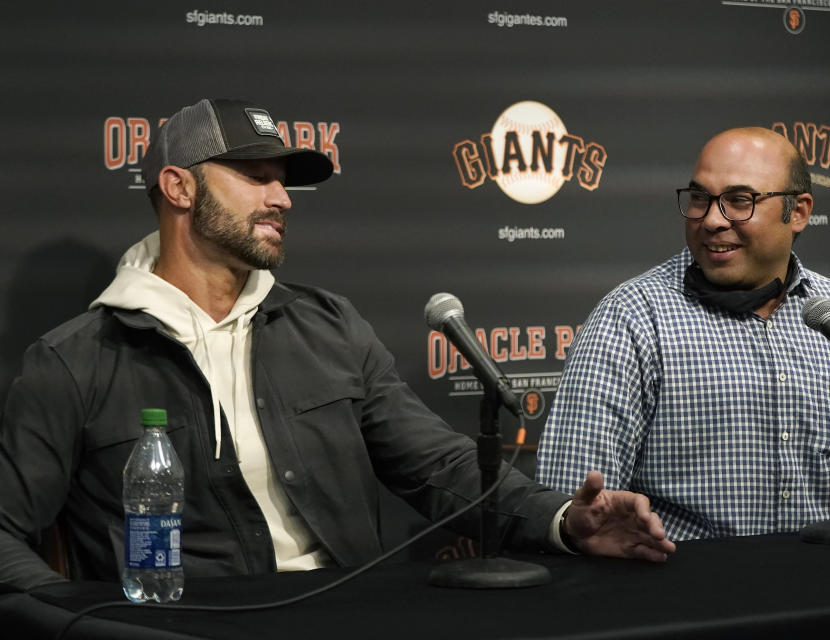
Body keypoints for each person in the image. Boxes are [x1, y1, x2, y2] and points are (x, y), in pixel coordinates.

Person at [0, 98, 675, 591]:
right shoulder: (75, 360)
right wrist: (74, 617)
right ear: (179, 187)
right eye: (256, 176)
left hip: (350, 617)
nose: (282, 197)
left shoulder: (330, 326)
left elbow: (440, 467)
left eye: (283, 180)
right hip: (184, 625)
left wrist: (563, 520)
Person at [536, 127, 830, 542]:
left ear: (799, 212)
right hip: (683, 596)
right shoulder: (631, 318)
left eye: (740, 201)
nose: (713, 220)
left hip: (827, 589)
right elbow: (573, 500)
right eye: (700, 198)